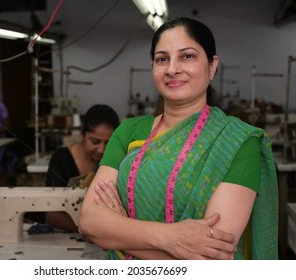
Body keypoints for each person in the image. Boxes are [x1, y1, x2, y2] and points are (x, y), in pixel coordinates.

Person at [79, 17, 278, 260]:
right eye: (162, 59)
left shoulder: (238, 142)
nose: (172, 68)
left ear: (212, 65)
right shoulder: (129, 132)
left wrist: (119, 234)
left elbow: (210, 259)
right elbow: (90, 221)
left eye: (187, 56)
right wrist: (173, 238)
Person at [41, 104, 120, 233]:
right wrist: (90, 232)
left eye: (108, 143)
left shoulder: (113, 162)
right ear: (83, 133)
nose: (102, 150)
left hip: (101, 234)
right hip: (64, 234)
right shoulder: (61, 159)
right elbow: (53, 213)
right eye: (95, 142)